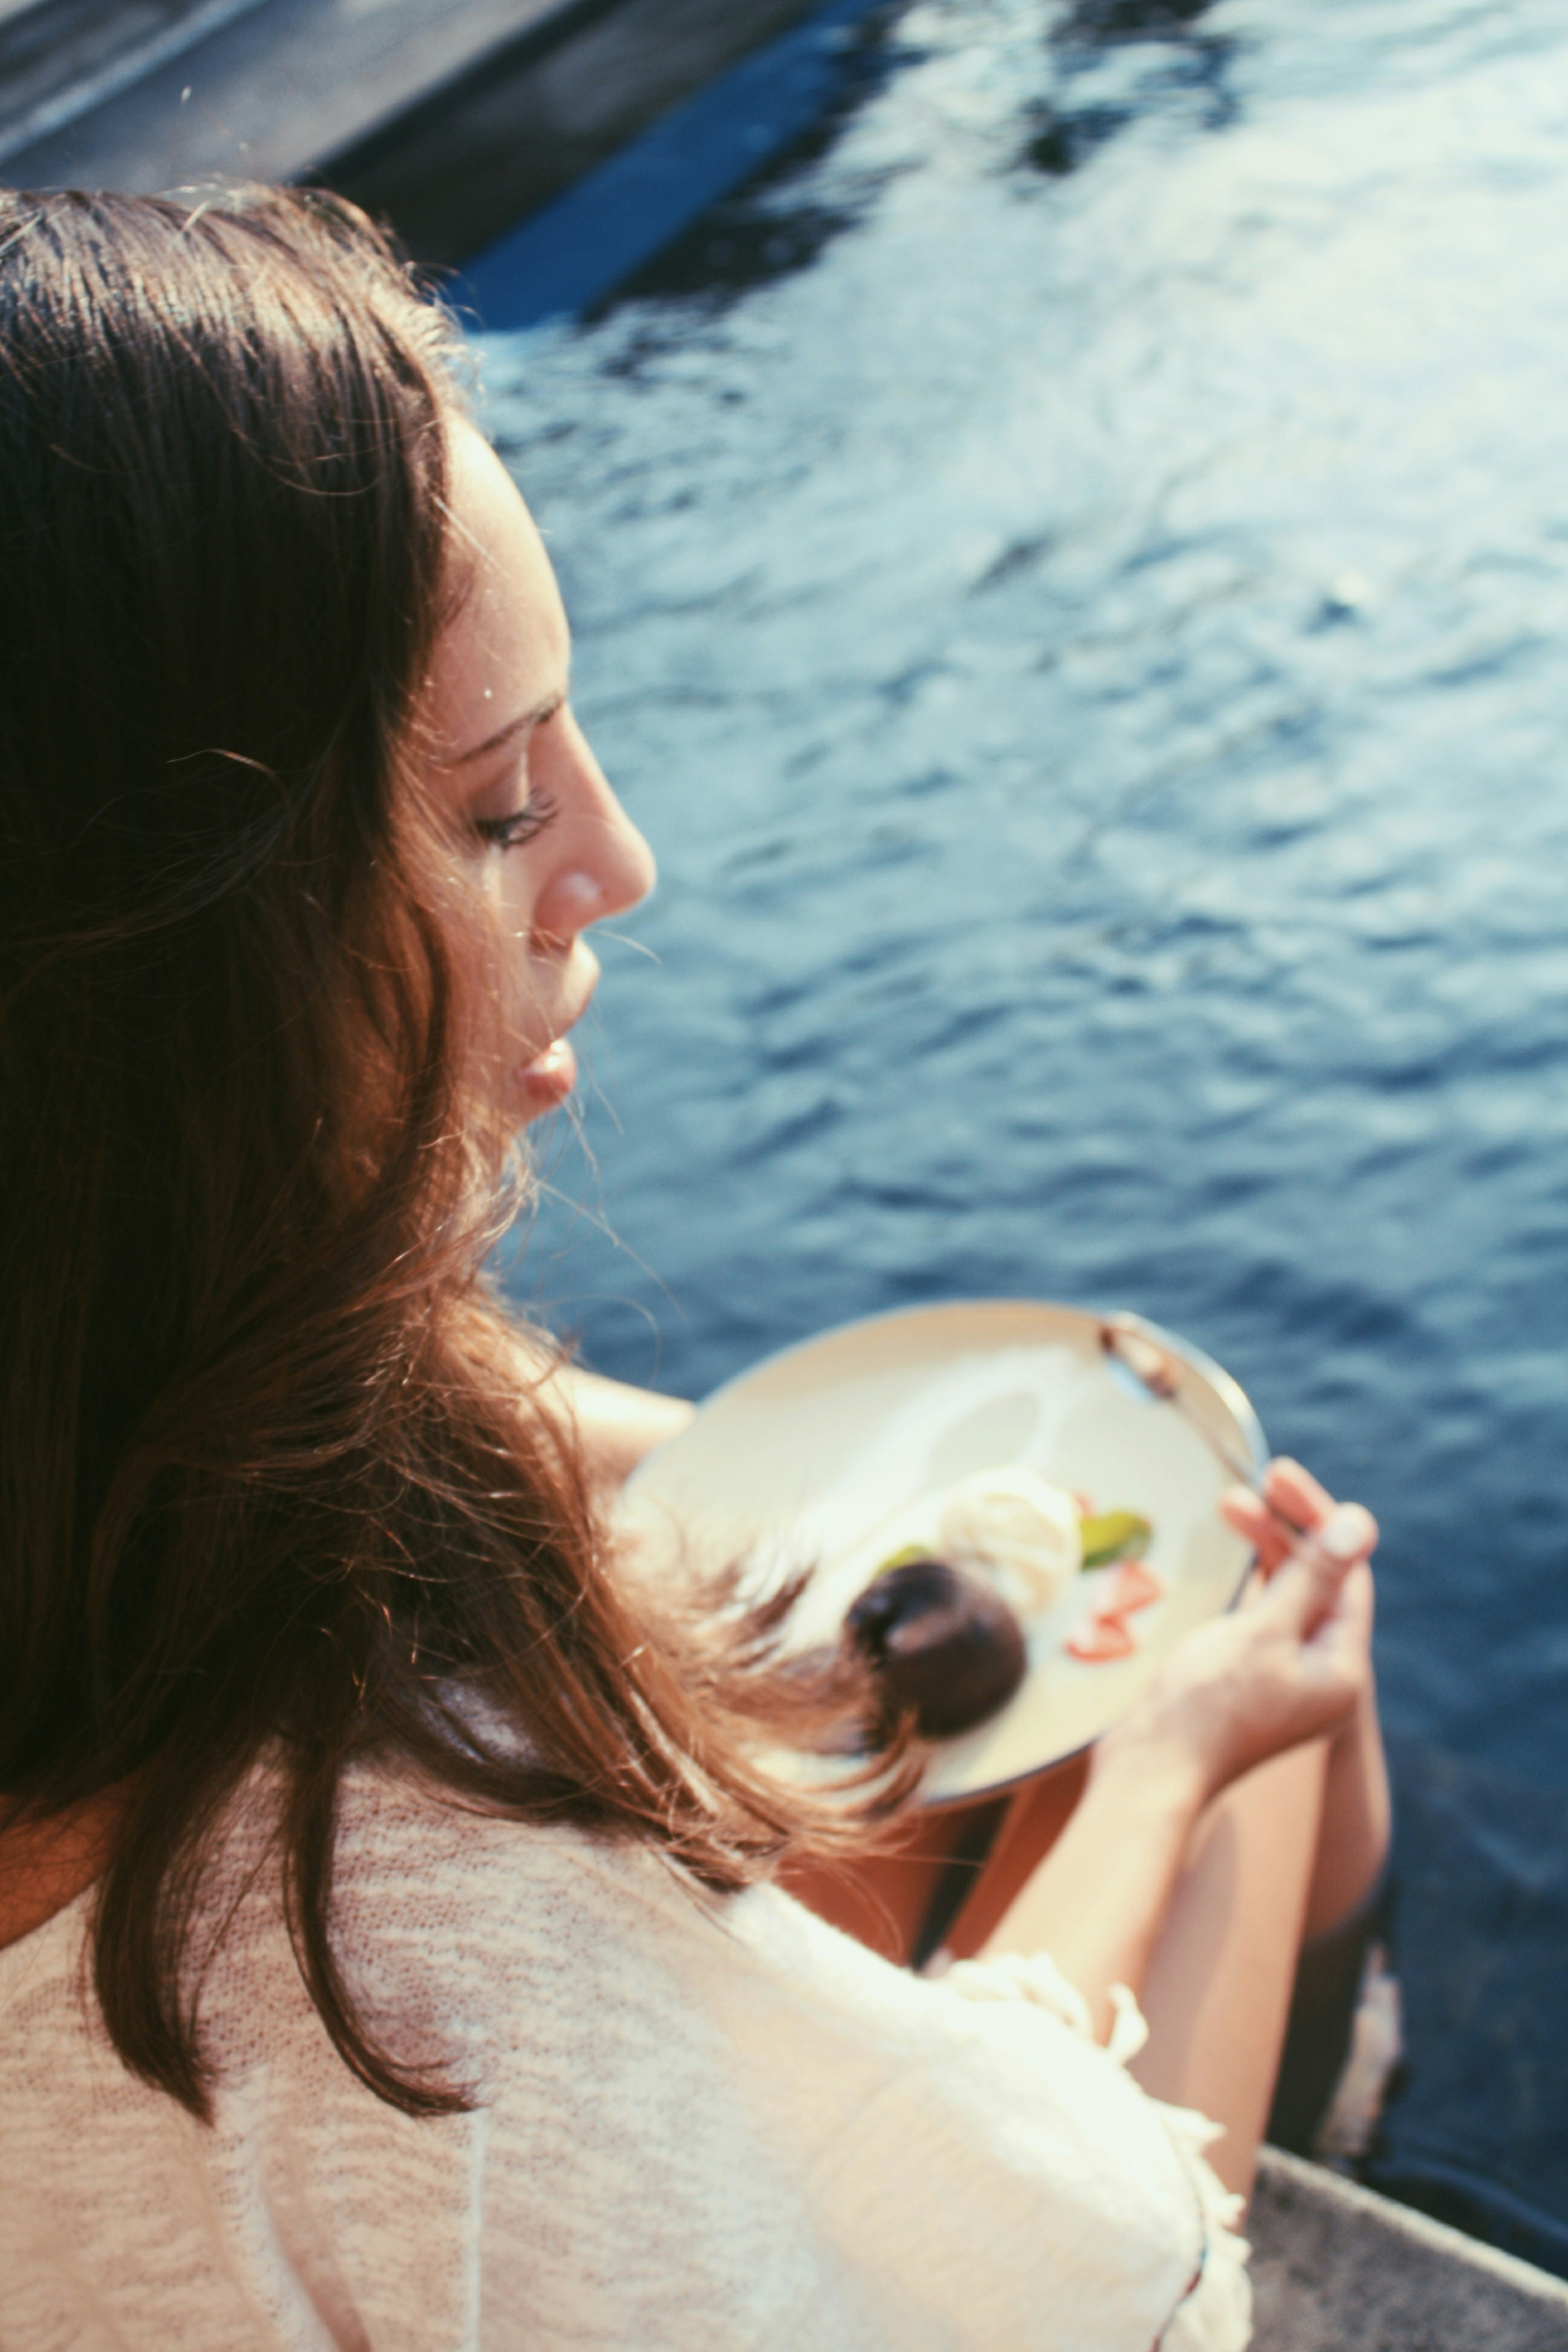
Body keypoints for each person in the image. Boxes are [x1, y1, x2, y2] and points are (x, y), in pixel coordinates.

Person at [0, 185, 1389, 2350]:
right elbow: (1100, 2294)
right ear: (185, 980)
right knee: (1246, 1695)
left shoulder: (106, 1390)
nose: (619, 865)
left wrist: (916, 1512)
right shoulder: (423, 1965)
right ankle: (1357, 2108)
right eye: (496, 811)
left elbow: (503, 1414)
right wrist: (1170, 1761)